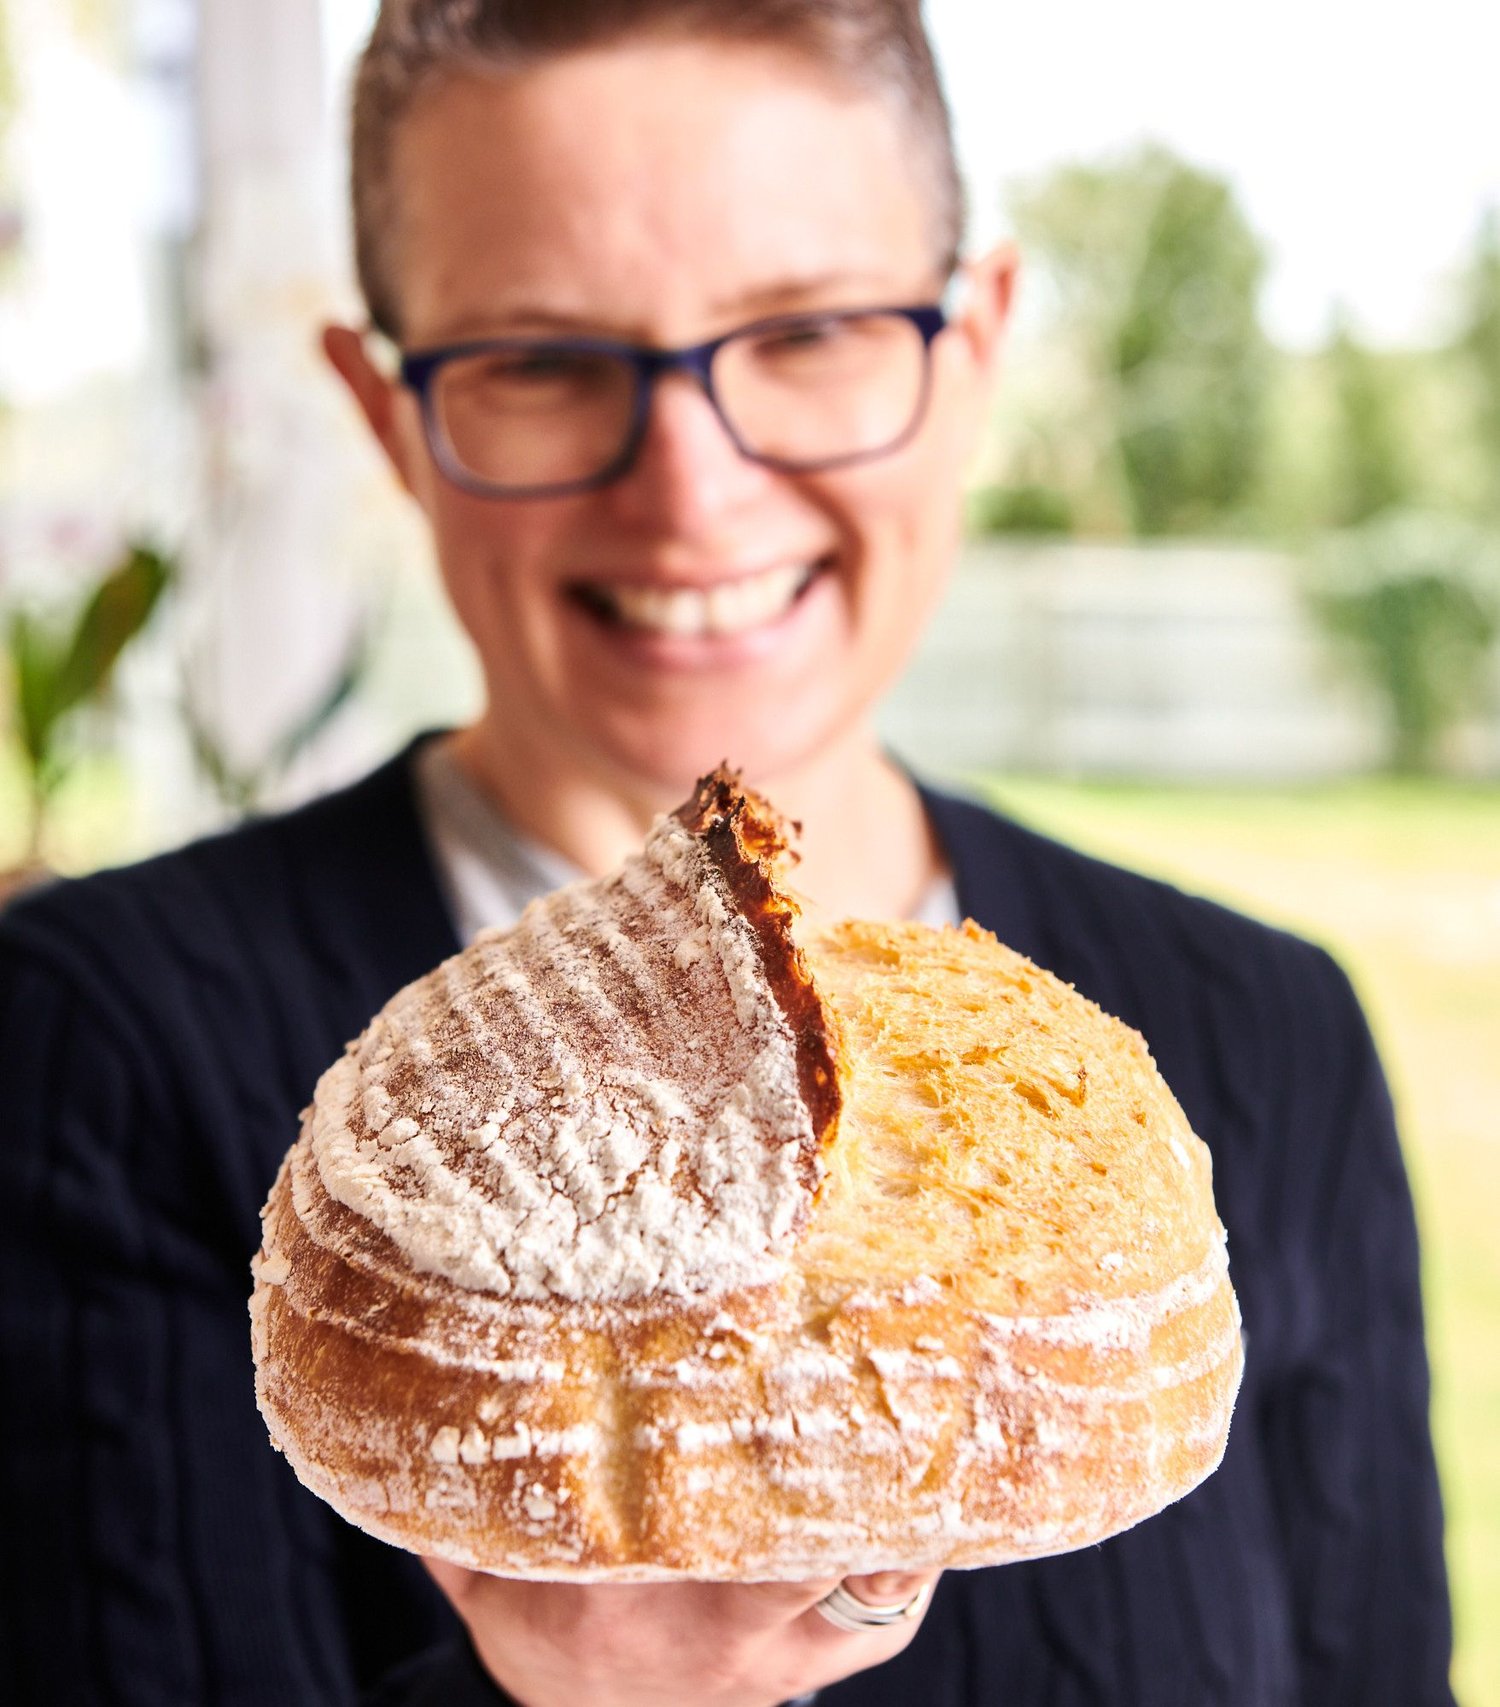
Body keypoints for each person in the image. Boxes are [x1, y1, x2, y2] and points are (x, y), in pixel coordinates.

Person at [0, 2, 1457, 1703]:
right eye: (541, 360)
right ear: (388, 417)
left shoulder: (1265, 1042)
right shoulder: (92, 1050)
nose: (692, 492)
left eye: (813, 332)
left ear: (974, 342)